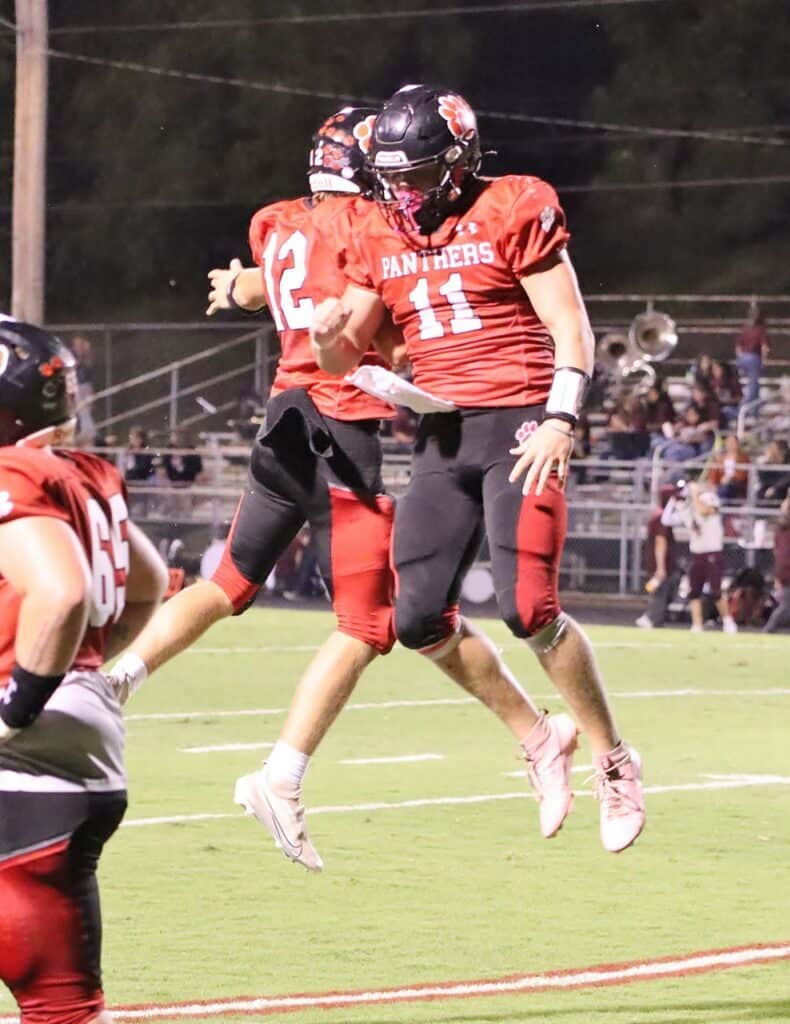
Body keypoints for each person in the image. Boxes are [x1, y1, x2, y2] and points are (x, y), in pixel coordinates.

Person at [109, 107, 579, 871]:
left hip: (283, 416)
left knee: (229, 578)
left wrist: (239, 288)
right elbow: (372, 305)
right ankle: (282, 777)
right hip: (341, 423)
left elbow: (279, 283)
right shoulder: (366, 226)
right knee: (374, 624)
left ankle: (114, 680)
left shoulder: (278, 223)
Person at [309, 84, 645, 853]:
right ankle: (538, 738)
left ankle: (614, 759)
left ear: (460, 163)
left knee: (529, 606)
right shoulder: (374, 230)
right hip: (442, 431)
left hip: (521, 419)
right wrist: (330, 333)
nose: (405, 194)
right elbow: (344, 353)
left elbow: (572, 327)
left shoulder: (513, 205)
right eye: (393, 179)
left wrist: (562, 418)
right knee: (417, 618)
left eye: (420, 177)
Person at [0, 317, 169, 1024]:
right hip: (84, 743)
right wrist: (88, 664)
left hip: (26, 742)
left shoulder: (14, 472)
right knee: (63, 1006)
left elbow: (62, 591)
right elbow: (149, 584)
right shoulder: (89, 473)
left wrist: (18, 703)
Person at [661, 480, 737, 633]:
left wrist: (695, 493)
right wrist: (673, 500)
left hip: (712, 552)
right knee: (694, 591)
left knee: (716, 591)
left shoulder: (708, 500)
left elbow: (703, 511)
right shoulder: (688, 506)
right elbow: (667, 520)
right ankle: (697, 624)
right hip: (697, 553)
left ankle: (728, 621)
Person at [635, 485, 680, 629]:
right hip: (661, 561)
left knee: (666, 589)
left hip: (657, 560)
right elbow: (660, 542)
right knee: (662, 590)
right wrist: (661, 567)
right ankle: (650, 618)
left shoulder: (658, 514)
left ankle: (657, 619)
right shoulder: (662, 517)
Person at [763, 495, 790, 633]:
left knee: (786, 604)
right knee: (786, 605)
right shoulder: (784, 528)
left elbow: (777, 551)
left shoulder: (781, 528)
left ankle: (769, 628)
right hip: (786, 568)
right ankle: (769, 628)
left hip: (783, 568)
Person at [735, 303, 769, 411]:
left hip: (743, 357)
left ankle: (754, 409)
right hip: (754, 358)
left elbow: (738, 347)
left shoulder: (745, 329)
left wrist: (741, 358)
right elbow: (764, 347)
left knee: (753, 385)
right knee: (753, 386)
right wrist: (764, 360)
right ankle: (745, 409)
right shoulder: (760, 330)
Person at [706, 433, 750, 503]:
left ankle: (720, 505)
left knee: (726, 488)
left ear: (737, 444)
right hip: (721, 484)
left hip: (736, 484)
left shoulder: (744, 458)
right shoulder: (720, 459)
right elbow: (714, 474)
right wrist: (712, 484)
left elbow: (743, 474)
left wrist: (730, 478)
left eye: (732, 442)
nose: (730, 444)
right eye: (728, 442)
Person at [70, 333, 97, 445]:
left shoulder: (86, 354)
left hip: (85, 384)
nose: (77, 346)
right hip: (78, 384)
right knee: (81, 409)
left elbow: (89, 367)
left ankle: (89, 431)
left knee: (85, 409)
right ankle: (87, 430)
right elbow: (72, 366)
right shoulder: (73, 353)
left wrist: (84, 354)